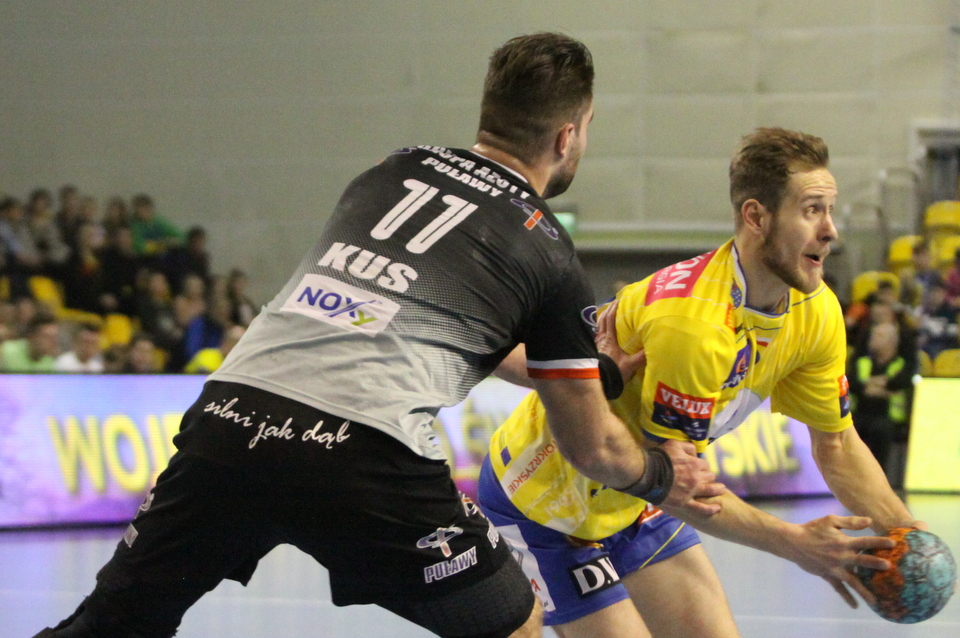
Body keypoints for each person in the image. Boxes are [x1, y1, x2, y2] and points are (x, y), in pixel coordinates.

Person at [33, 33, 718, 638]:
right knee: (511, 621)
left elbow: (410, 321)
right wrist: (662, 476)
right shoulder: (546, 248)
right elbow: (591, 447)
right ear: (568, 136)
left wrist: (590, 372)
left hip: (229, 419)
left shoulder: (391, 171)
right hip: (360, 450)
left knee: (111, 626)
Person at [478, 128, 920, 637]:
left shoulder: (817, 311)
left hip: (636, 500)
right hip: (544, 501)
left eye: (831, 210)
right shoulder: (695, 324)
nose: (831, 230)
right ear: (756, 217)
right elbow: (676, 486)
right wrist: (796, 542)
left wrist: (907, 533)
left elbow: (837, 445)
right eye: (811, 210)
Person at [848, 321, 913, 488]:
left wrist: (868, 385)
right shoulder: (861, 361)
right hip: (860, 414)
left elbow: (899, 383)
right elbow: (853, 384)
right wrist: (881, 387)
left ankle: (878, 483)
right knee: (848, 430)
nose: (872, 338)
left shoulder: (902, 364)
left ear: (891, 341)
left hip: (889, 417)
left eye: (878, 335)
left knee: (880, 430)